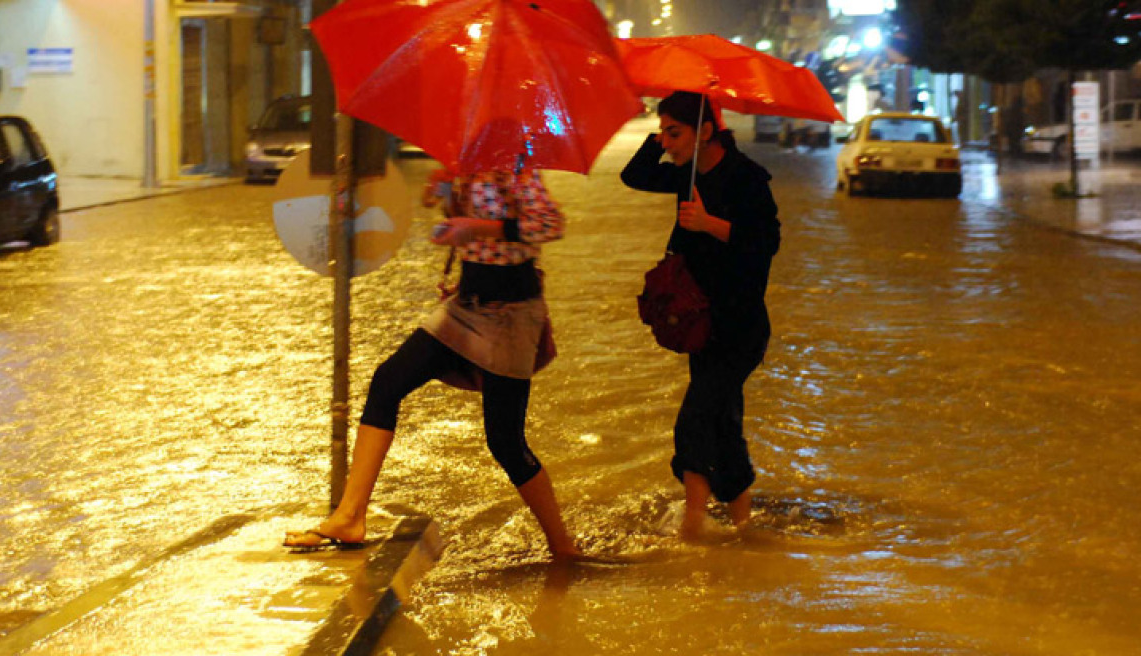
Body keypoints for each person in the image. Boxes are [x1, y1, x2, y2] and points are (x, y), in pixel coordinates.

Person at [284, 163, 580, 560]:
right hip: (466, 304)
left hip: (511, 315)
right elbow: (457, 224)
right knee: (388, 381)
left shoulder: (516, 166)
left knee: (505, 441)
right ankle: (350, 516)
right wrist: (439, 194)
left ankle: (562, 545)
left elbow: (551, 224)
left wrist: (477, 228)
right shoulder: (464, 165)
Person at [620, 91, 780, 540]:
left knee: (695, 418)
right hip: (700, 326)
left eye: (675, 132)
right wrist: (660, 140)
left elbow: (766, 242)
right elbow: (633, 175)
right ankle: (744, 523)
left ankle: (693, 525)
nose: (667, 142)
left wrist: (710, 224)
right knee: (723, 421)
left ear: (706, 131)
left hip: (740, 328)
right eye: (663, 132)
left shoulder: (747, 178)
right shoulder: (685, 175)